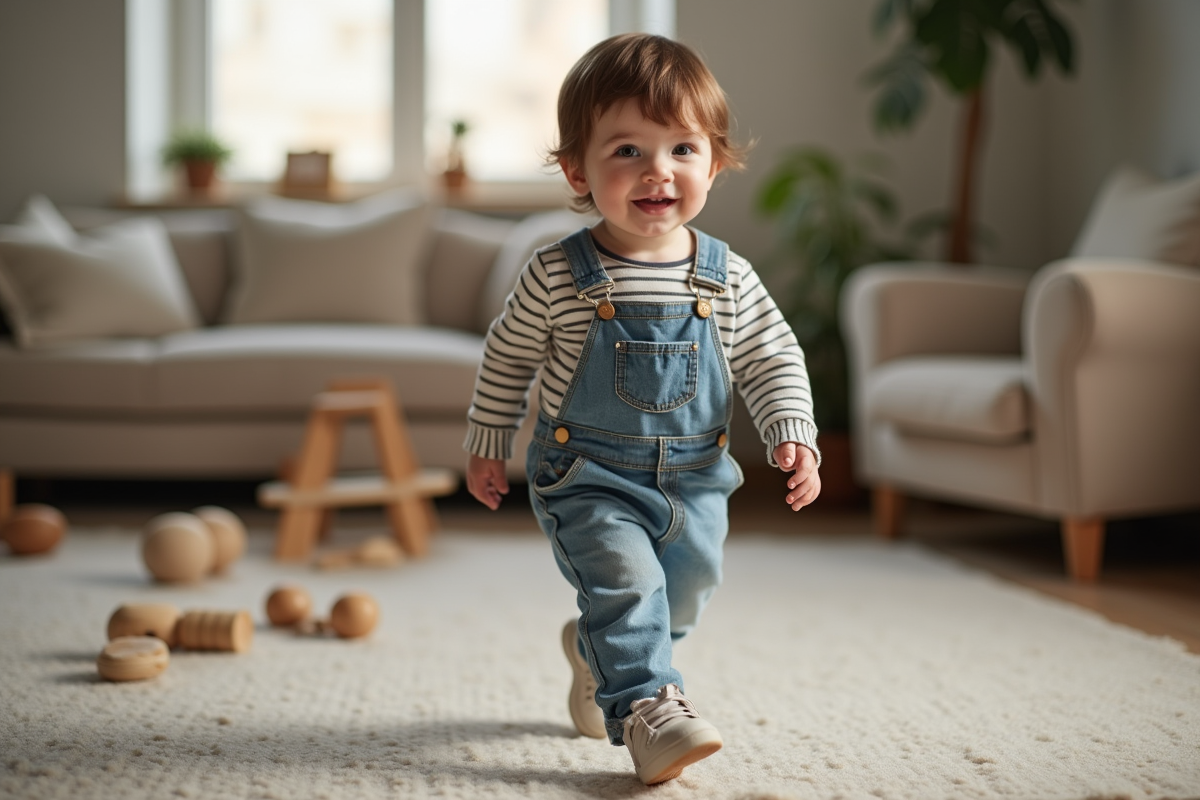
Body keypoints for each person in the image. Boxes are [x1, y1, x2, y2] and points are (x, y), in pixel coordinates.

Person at [463, 32, 821, 785]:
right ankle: (650, 711)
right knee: (628, 589)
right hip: (587, 475)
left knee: (679, 596)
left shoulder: (727, 277)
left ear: (714, 162)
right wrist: (488, 439)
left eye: (681, 150)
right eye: (627, 151)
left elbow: (771, 355)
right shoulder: (558, 273)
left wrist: (795, 433)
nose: (657, 171)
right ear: (577, 169)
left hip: (696, 479)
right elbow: (508, 357)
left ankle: (602, 657)